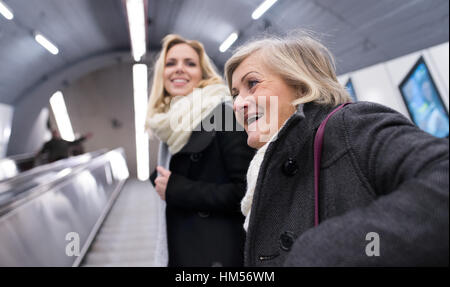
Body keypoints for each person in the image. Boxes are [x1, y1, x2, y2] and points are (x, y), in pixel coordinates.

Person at [225, 31, 449, 266]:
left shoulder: (349, 124)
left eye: (252, 83)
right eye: (234, 94)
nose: (238, 104)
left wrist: (322, 252)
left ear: (301, 86)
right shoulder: (260, 172)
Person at [146, 34, 254, 267]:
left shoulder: (224, 114)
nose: (179, 69)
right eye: (171, 63)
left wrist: (178, 188)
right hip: (183, 247)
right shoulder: (168, 122)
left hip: (218, 252)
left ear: (203, 73)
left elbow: (246, 192)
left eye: (190, 63)